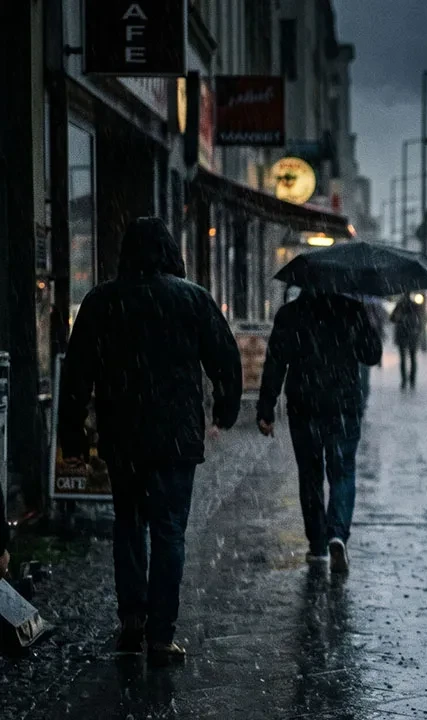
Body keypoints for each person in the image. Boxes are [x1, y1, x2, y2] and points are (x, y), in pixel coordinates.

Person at [60, 217, 242, 663]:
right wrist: (225, 406)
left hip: (122, 433)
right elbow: (225, 359)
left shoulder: (102, 301)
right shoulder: (192, 299)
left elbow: (77, 371)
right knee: (169, 531)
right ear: (170, 252)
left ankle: (132, 620)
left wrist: (73, 433)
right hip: (175, 437)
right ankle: (162, 635)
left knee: (128, 523)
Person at [257, 288, 382, 574]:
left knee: (310, 474)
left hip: (305, 405)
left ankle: (317, 543)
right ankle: (337, 532)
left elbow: (275, 362)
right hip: (343, 406)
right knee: (342, 471)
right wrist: (363, 324)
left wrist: (266, 408)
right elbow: (371, 355)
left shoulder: (290, 314)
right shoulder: (351, 310)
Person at [390, 293, 426, 389]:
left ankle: (406, 380)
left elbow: (392, 318)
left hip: (405, 335)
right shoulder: (413, 305)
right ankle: (410, 380)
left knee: (405, 359)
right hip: (410, 335)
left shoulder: (401, 305)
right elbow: (419, 320)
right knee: (411, 358)